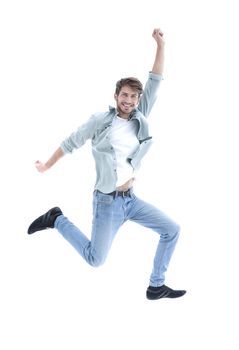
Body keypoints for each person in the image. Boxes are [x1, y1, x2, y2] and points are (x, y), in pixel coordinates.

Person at [28, 28, 186, 300]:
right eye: (124, 95)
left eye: (133, 97)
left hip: (131, 200)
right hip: (107, 202)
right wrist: (47, 166)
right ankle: (57, 219)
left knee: (172, 230)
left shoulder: (141, 115)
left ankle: (155, 285)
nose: (128, 100)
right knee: (95, 260)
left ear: (138, 100)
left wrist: (161, 44)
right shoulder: (101, 121)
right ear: (116, 96)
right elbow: (71, 142)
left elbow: (156, 80)